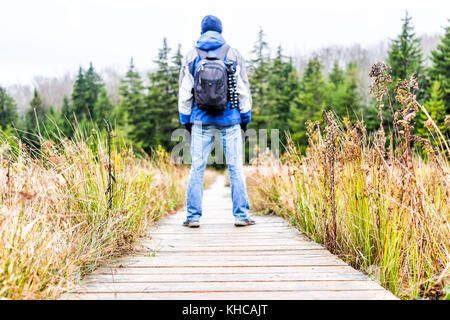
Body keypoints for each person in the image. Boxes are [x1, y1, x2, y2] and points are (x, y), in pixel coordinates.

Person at [178, 15, 255, 228]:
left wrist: (186, 120)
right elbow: (242, 90)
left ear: (202, 31)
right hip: (230, 119)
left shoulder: (192, 55)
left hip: (200, 120)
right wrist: (245, 118)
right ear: (220, 31)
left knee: (197, 168)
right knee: (235, 168)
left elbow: (185, 92)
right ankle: (241, 216)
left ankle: (193, 217)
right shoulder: (233, 53)